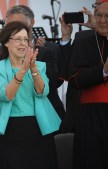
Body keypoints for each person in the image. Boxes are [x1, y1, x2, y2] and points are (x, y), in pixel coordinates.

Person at [0, 21, 61, 169]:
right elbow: (6, 95)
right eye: (18, 39)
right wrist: (23, 70)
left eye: (26, 39)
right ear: (6, 42)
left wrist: (33, 69)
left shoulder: (40, 65)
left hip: (38, 128)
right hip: (8, 130)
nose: (23, 43)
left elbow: (42, 91)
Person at [0, 5, 65, 120]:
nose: (15, 30)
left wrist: (32, 59)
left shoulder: (47, 51)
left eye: (19, 26)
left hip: (45, 117)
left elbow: (52, 85)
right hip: (8, 119)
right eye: (10, 27)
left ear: (30, 25)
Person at [65, 1, 108, 168]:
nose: (103, 20)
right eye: (99, 16)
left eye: (107, 16)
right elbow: (74, 78)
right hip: (92, 118)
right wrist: (102, 71)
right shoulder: (83, 40)